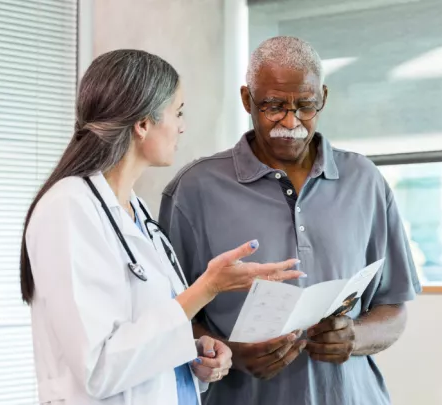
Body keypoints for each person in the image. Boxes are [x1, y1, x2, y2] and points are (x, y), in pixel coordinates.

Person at [19, 49, 304, 405]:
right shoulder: (68, 208)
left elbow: (144, 337)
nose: (182, 126)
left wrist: (194, 354)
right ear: (143, 124)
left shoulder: (133, 210)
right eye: (177, 112)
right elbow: (97, 368)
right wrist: (208, 287)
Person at [159, 36, 422, 405]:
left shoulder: (365, 180)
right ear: (247, 99)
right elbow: (166, 317)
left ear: (324, 98)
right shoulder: (194, 189)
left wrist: (355, 337)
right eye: (273, 106)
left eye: (305, 106)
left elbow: (394, 307)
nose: (290, 121)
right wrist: (231, 353)